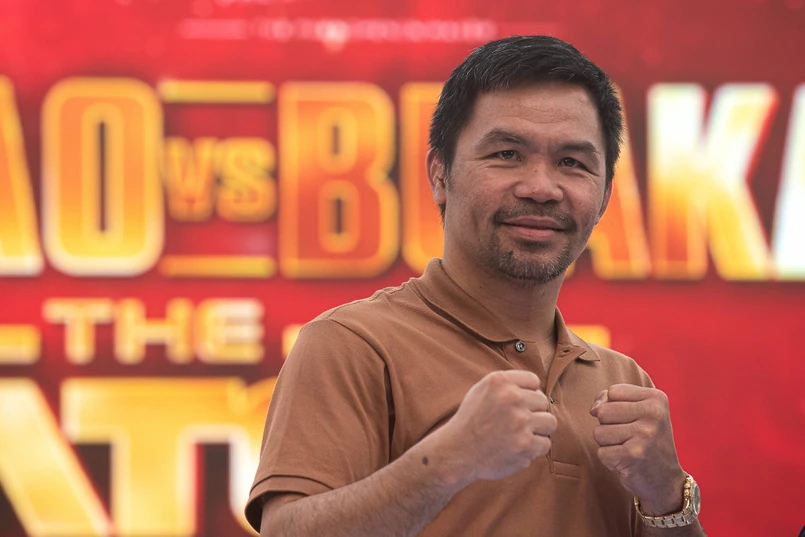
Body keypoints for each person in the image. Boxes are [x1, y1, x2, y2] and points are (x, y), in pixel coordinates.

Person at [245, 35, 706, 536]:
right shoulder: (353, 345)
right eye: (507, 154)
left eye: (573, 163)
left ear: (604, 197)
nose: (541, 187)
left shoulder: (624, 382)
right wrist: (448, 461)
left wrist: (667, 495)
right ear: (440, 175)